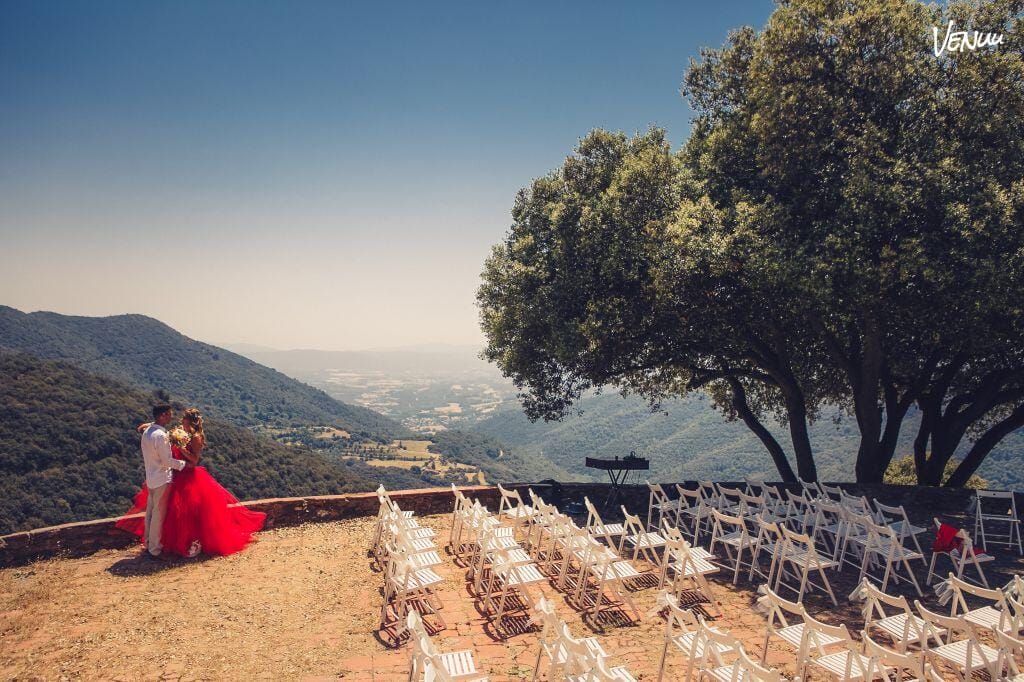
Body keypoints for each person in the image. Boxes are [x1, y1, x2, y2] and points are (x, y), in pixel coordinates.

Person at [117, 406, 266, 558]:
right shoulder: (178, 431)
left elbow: (194, 460)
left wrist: (181, 448)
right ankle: (160, 545)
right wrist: (152, 425)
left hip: (187, 476)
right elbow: (162, 433)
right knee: (168, 512)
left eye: (184, 418)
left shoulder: (196, 437)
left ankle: (184, 543)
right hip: (174, 474)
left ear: (190, 421)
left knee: (183, 513)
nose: (180, 420)